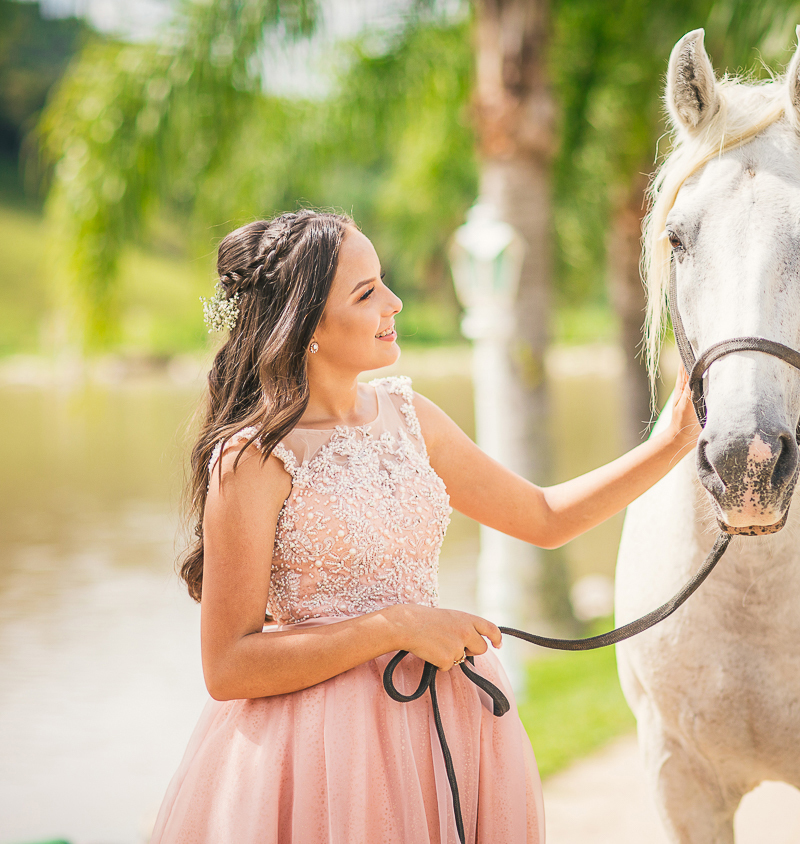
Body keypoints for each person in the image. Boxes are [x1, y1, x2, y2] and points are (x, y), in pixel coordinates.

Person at [149, 209, 700, 844]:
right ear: (305, 327)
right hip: (321, 752)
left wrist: (671, 444)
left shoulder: (413, 417)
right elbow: (227, 666)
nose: (395, 301)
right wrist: (397, 626)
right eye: (366, 293)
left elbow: (545, 519)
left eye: (382, 281)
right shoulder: (252, 457)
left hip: (443, 720)